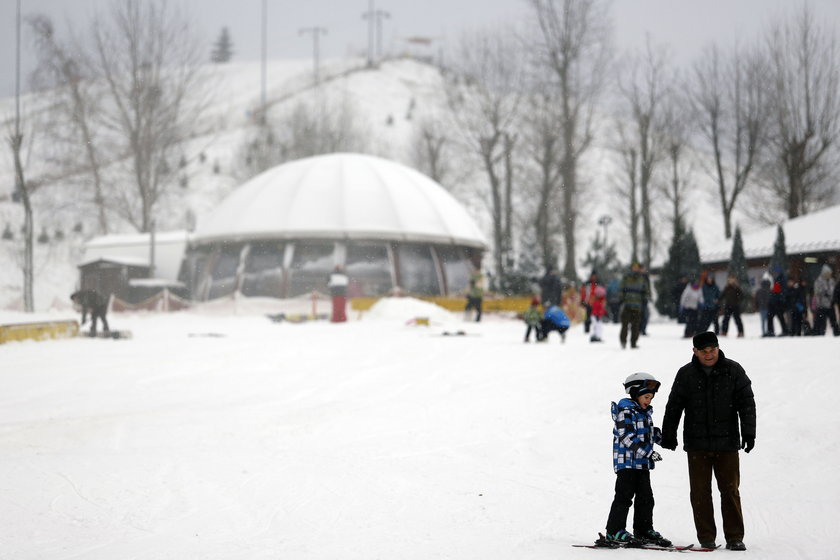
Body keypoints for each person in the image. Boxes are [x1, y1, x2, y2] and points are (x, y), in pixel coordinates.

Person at [661, 332, 756, 552]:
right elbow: (674, 405)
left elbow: (747, 404)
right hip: (697, 444)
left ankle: (734, 537)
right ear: (694, 351)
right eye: (703, 351)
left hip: (728, 444)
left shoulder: (734, 370)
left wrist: (749, 433)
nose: (709, 354)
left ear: (718, 348)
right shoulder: (686, 374)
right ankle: (706, 537)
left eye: (712, 350)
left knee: (730, 490)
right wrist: (669, 434)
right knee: (700, 492)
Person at [600, 372, 671, 547]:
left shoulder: (644, 413)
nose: (649, 401)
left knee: (646, 498)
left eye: (651, 398)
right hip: (626, 463)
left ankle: (644, 529)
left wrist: (665, 438)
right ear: (634, 393)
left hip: (641, 465)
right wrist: (648, 452)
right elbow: (627, 436)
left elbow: (648, 433)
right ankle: (614, 531)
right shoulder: (625, 411)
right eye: (646, 396)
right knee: (624, 497)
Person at [619, 262, 650, 349]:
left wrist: (645, 298)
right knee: (625, 325)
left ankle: (633, 343)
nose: (635, 269)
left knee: (636, 326)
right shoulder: (626, 277)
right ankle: (623, 341)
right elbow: (621, 289)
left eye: (637, 267)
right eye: (634, 267)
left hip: (637, 305)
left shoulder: (642, 278)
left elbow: (646, 290)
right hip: (627, 305)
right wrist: (621, 298)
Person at [812, 264, 839, 336]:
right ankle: (820, 334)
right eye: (828, 273)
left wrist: (831, 296)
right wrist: (823, 293)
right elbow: (816, 292)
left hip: (830, 305)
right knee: (821, 322)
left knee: (833, 321)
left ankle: (836, 334)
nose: (829, 275)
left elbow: (834, 290)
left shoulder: (832, 281)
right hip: (822, 305)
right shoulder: (818, 281)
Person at [766, 270, 788, 336]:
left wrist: (774, 300)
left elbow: (777, 292)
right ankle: (773, 331)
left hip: (777, 303)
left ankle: (773, 331)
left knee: (778, 317)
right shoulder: (779, 280)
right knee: (776, 317)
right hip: (776, 302)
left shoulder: (779, 281)